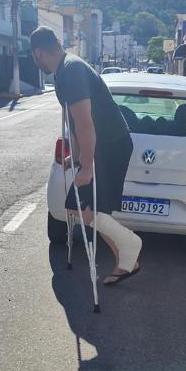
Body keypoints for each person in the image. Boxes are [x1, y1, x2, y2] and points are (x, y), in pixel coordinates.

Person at [30, 26, 142, 285]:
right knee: (83, 207)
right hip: (100, 146)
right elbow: (73, 123)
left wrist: (87, 167)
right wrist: (77, 158)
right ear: (57, 42)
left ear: (38, 53)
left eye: (34, 57)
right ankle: (128, 259)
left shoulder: (72, 71)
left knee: (85, 208)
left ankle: (130, 248)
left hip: (110, 146)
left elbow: (84, 123)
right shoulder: (63, 71)